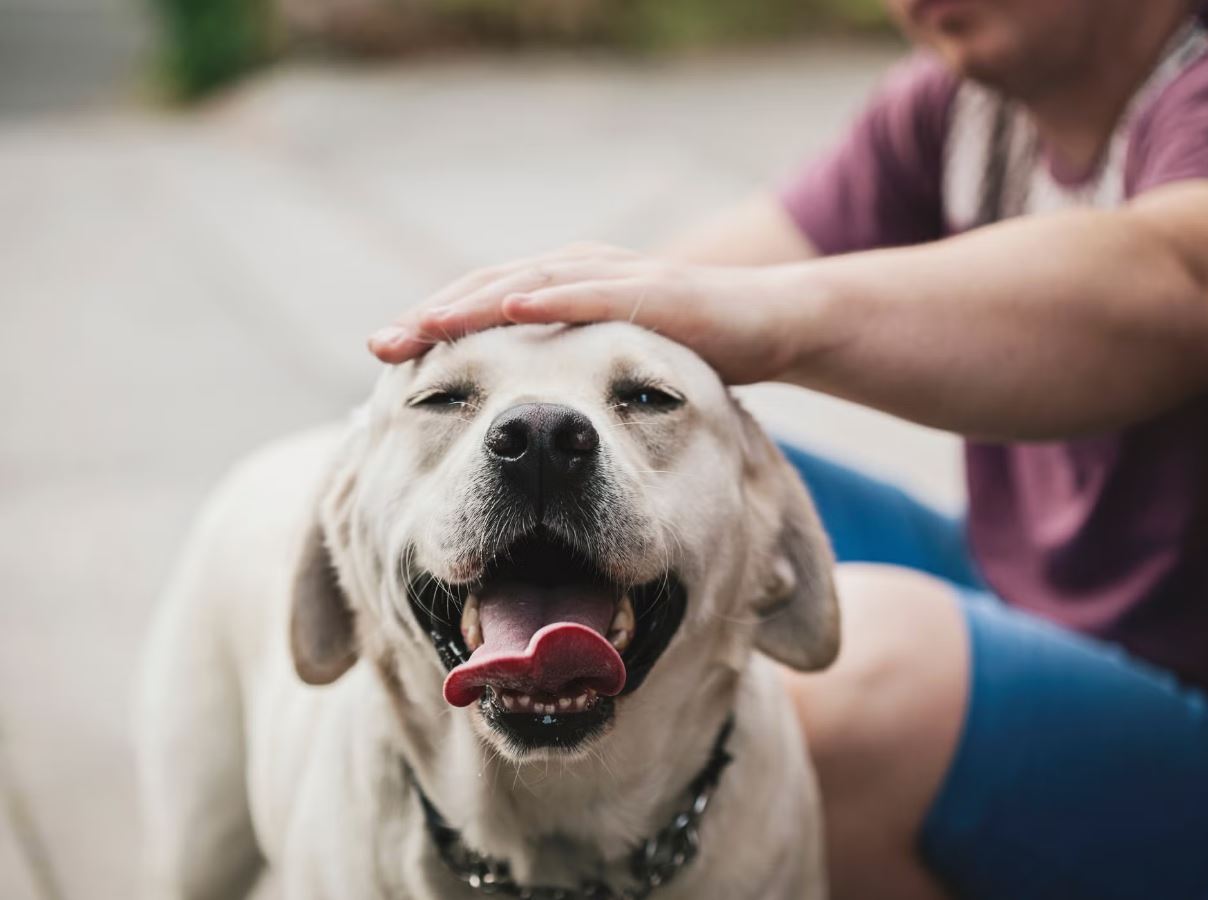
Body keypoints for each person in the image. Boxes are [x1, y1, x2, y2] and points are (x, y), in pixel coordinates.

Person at [367, 1, 1208, 897]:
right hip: (1025, 586)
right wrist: (463, 416)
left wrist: (773, 317)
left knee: (861, 679)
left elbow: (1180, 273)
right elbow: (655, 300)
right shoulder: (958, 107)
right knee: (697, 469)